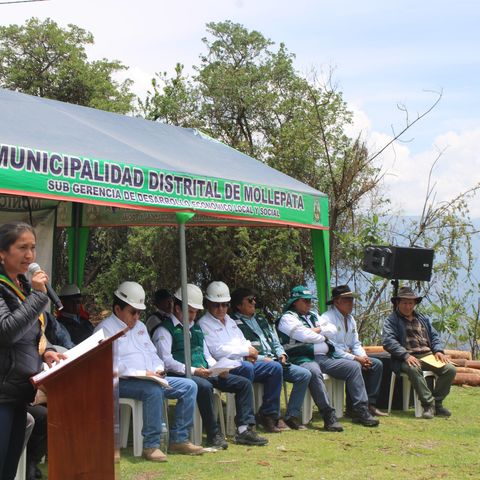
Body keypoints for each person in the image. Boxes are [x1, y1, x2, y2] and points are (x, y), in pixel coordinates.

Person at [94, 281, 203, 461]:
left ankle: (179, 439)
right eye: (133, 312)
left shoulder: (141, 327)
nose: (137, 317)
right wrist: (142, 373)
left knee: (189, 386)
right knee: (153, 391)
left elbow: (153, 354)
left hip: (151, 378)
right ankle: (151, 446)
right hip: (120, 381)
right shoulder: (104, 329)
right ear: (118, 309)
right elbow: (108, 364)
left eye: (139, 312)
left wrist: (158, 370)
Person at [153, 284, 267, 447]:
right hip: (181, 374)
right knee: (205, 386)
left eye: (195, 312)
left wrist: (217, 368)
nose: (193, 316)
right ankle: (213, 434)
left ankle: (244, 430)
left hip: (204, 371)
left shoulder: (196, 329)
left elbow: (205, 354)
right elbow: (167, 361)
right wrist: (194, 371)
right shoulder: (164, 330)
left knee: (243, 384)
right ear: (177, 308)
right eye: (190, 311)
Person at [0, 221, 63, 479]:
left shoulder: (24, 287)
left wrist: (45, 350)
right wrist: (38, 297)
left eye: (33, 248)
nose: (29, 255)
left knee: (8, 469)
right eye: (22, 247)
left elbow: (29, 332)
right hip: (2, 394)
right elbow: (6, 332)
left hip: (19, 393)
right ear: (2, 253)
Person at [278, 285, 379, 428]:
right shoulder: (287, 318)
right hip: (302, 358)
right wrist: (320, 334)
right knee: (313, 371)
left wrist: (316, 332)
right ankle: (328, 414)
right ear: (295, 302)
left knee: (354, 366)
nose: (309, 304)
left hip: (325, 357)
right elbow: (304, 335)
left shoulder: (313, 315)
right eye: (305, 301)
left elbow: (331, 330)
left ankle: (361, 410)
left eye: (310, 301)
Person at [198, 281, 284, 433]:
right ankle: (245, 420)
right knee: (247, 368)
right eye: (216, 305)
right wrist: (245, 351)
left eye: (224, 305)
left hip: (242, 361)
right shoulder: (204, 323)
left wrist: (249, 351)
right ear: (208, 304)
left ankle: (268, 414)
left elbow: (242, 340)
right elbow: (218, 350)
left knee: (275, 367)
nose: (221, 309)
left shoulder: (230, 321)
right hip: (225, 367)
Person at [230, 287, 312, 430]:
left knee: (304, 375)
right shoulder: (233, 323)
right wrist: (263, 358)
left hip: (275, 360)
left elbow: (275, 341)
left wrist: (282, 354)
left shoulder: (261, 318)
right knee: (275, 368)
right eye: (250, 300)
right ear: (238, 305)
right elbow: (241, 351)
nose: (254, 302)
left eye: (254, 299)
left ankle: (291, 415)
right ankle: (271, 415)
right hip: (256, 363)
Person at [382, 286, 456, 419]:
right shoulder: (391, 320)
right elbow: (388, 341)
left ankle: (437, 404)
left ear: (415, 303)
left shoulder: (423, 318)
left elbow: (434, 336)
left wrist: (438, 350)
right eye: (404, 303)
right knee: (414, 368)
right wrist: (405, 355)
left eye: (411, 303)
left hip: (428, 356)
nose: (407, 306)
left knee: (450, 369)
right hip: (405, 358)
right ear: (398, 303)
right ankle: (427, 405)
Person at [320, 285, 387, 417]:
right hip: (332, 357)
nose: (351, 303)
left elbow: (355, 343)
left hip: (348, 356)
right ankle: (354, 408)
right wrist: (356, 359)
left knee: (376, 364)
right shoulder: (327, 318)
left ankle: (370, 404)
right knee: (355, 365)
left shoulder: (351, 319)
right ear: (337, 301)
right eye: (347, 300)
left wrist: (364, 357)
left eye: (352, 300)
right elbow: (331, 347)